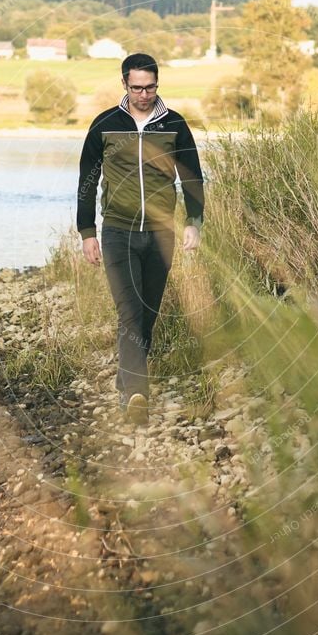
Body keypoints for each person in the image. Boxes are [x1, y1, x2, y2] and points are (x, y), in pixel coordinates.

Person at [76, 53, 204, 425]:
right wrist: (87, 231)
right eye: (137, 87)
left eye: (150, 87)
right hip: (117, 231)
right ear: (124, 84)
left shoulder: (174, 124)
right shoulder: (105, 124)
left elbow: (192, 175)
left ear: (157, 84)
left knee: (146, 313)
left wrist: (194, 220)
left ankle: (125, 380)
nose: (144, 94)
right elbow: (86, 181)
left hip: (161, 233)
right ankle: (136, 395)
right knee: (129, 313)